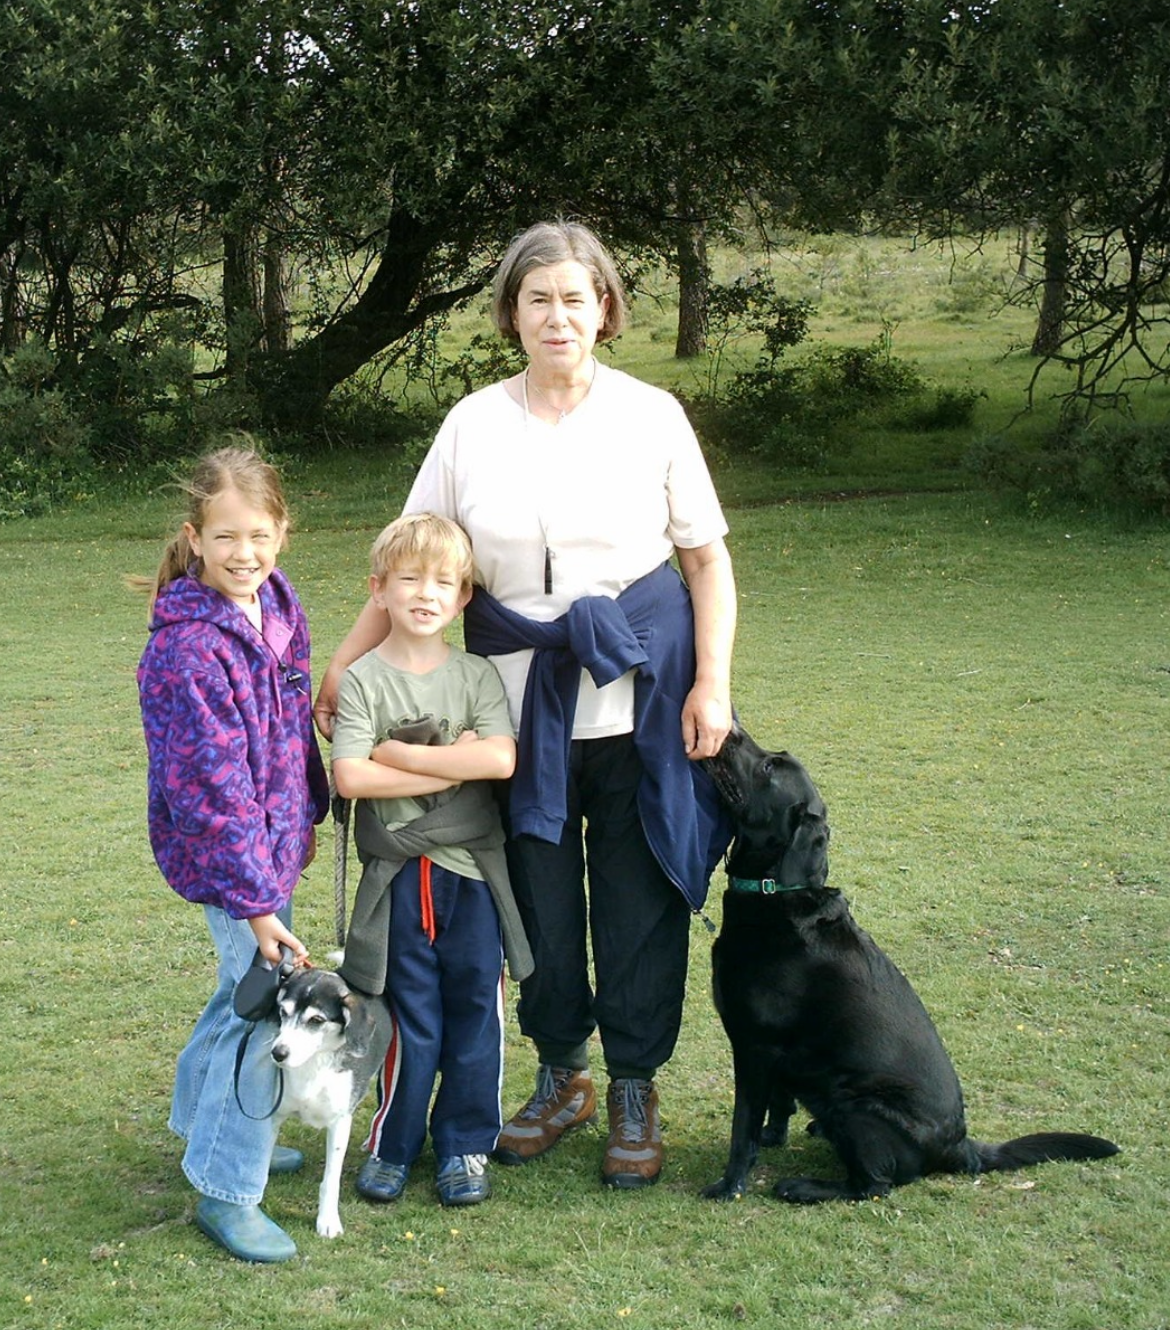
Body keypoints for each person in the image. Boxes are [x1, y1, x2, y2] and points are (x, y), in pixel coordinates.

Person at [314, 220, 736, 1189]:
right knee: (535, 900)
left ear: (605, 309)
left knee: (637, 900)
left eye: (575, 297)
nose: (558, 315)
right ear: (513, 312)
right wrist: (343, 666)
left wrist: (712, 681)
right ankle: (562, 1072)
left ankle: (634, 1082)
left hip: (641, 697)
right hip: (510, 714)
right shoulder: (471, 424)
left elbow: (707, 561)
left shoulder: (652, 415)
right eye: (537, 297)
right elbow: (407, 561)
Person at [135, 444, 330, 1262]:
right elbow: (211, 793)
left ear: (281, 533)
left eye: (257, 535)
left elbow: (284, 725)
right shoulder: (188, 650)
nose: (243, 554)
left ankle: (198, 1122)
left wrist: (312, 801)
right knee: (264, 1007)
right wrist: (254, 907)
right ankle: (226, 1187)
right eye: (224, 538)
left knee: (231, 995)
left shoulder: (277, 607)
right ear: (195, 537)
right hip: (229, 864)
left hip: (273, 846)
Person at [329, 513, 531, 1207]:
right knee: (408, 1013)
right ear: (378, 589)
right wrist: (454, 766)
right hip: (395, 881)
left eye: (443, 581)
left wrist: (406, 756)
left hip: (471, 878)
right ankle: (394, 1141)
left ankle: (465, 1145)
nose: (426, 593)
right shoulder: (361, 680)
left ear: (464, 596)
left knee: (476, 1011)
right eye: (409, 578)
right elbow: (351, 778)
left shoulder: (476, 676)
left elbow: (500, 759)